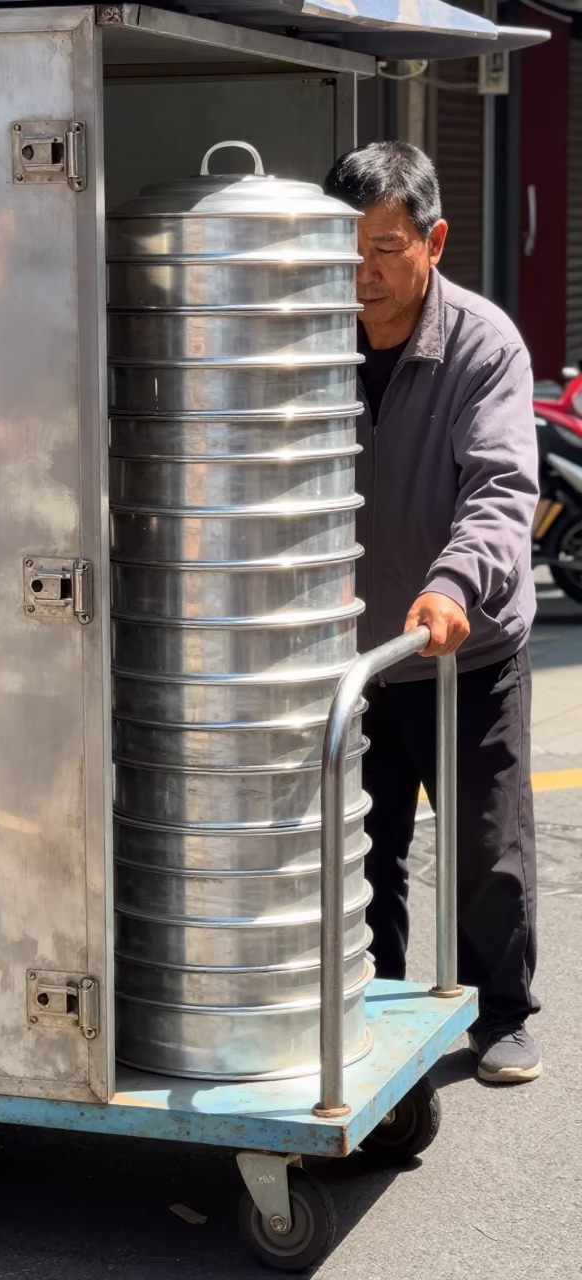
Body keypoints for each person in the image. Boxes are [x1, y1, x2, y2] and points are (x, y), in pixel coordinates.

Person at [324, 141, 541, 1083]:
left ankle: (504, 1013)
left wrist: (453, 585)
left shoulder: (483, 344)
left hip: (462, 645)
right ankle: (374, 1010)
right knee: (358, 854)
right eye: (344, 248)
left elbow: (500, 489)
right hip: (353, 656)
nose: (360, 272)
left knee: (485, 847)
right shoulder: (308, 336)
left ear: (435, 242)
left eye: (383, 246)